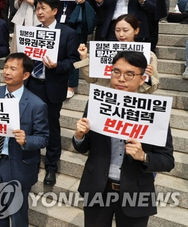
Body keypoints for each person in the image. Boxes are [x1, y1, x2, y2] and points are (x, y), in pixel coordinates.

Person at [73, 51, 174, 227]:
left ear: (142, 79)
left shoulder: (154, 112)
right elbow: (84, 147)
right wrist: (79, 136)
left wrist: (143, 156)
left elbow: (167, 160)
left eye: (129, 74)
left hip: (136, 193)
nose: (121, 78)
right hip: (98, 188)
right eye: (116, 72)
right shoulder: (97, 103)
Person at [0, 53, 49, 226]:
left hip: (19, 163)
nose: (7, 72)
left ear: (25, 75)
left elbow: (43, 138)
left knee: (17, 214)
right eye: (5, 67)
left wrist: (26, 140)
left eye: (13, 68)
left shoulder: (36, 104)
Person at [25, 0, 79, 186]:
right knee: (30, 125)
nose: (39, 12)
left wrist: (57, 65)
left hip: (52, 86)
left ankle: (51, 166)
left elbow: (73, 61)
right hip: (31, 84)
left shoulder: (67, 33)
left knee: (51, 127)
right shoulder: (33, 31)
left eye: (43, 8)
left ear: (55, 11)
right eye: (37, 8)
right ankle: (31, 160)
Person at [76, 14, 160, 94]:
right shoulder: (103, 50)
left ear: (136, 30)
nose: (121, 34)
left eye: (125, 30)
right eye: (117, 30)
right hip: (105, 96)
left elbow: (152, 89)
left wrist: (149, 77)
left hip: (131, 99)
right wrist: (84, 58)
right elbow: (91, 79)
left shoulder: (148, 55)